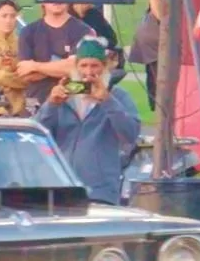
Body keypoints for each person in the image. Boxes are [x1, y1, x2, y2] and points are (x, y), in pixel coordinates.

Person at [37, 39, 144, 204]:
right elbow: (38, 135)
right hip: (61, 188)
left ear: (104, 67)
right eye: (83, 65)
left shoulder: (119, 96)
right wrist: (51, 104)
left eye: (95, 66)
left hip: (100, 191)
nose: (89, 72)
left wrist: (107, 101)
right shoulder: (64, 96)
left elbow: (130, 135)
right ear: (76, 68)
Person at [15, 0, 93, 106]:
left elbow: (78, 69)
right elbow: (26, 74)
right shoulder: (28, 32)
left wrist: (35, 66)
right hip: (38, 102)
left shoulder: (85, 31)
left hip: (74, 101)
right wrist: (63, 66)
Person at [129, 0, 166, 109]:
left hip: (161, 54)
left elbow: (161, 15)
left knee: (159, 89)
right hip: (151, 53)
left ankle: (163, 120)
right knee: (152, 86)